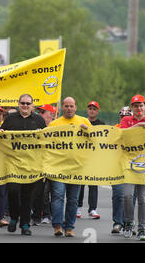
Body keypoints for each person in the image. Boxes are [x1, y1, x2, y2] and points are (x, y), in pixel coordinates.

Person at [0, 94, 46, 235]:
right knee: (13, 191)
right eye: (22, 103)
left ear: (32, 106)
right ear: (18, 104)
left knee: (28, 195)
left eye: (28, 103)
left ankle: (25, 224)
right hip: (13, 163)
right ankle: (14, 217)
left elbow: (45, 141)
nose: (25, 106)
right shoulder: (10, 119)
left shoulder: (39, 120)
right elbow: (1, 136)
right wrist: (0, 133)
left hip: (31, 164)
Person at [119, 95, 145, 241]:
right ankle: (129, 222)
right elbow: (121, 136)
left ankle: (142, 228)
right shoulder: (126, 121)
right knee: (127, 195)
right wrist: (137, 126)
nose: (138, 108)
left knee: (143, 198)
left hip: (144, 166)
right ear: (132, 108)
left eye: (141, 105)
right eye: (135, 106)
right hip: (128, 166)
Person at [48, 96, 92, 237]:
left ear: (76, 107)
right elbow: (46, 145)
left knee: (73, 199)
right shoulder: (54, 124)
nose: (69, 109)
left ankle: (69, 227)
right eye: (66, 106)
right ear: (62, 108)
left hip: (76, 168)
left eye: (71, 106)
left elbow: (95, 140)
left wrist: (88, 131)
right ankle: (57, 226)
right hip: (58, 167)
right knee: (58, 196)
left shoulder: (84, 121)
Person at [77, 101, 104, 220]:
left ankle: (92, 209)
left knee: (93, 184)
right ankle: (78, 207)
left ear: (97, 111)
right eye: (90, 108)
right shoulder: (82, 122)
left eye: (94, 109)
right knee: (80, 184)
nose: (92, 110)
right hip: (82, 157)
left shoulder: (101, 124)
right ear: (87, 110)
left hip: (94, 158)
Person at [31, 104, 57, 225]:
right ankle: (39, 214)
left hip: (54, 164)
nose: (39, 115)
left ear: (51, 115)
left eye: (42, 112)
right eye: (39, 112)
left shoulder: (56, 128)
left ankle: (51, 214)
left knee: (55, 191)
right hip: (38, 163)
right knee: (40, 190)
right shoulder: (36, 126)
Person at [110, 106, 133, 234]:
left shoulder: (136, 129)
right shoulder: (114, 129)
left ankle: (129, 223)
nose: (125, 118)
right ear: (120, 117)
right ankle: (118, 223)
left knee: (130, 196)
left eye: (127, 116)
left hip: (131, 168)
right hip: (117, 167)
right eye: (122, 116)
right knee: (118, 195)